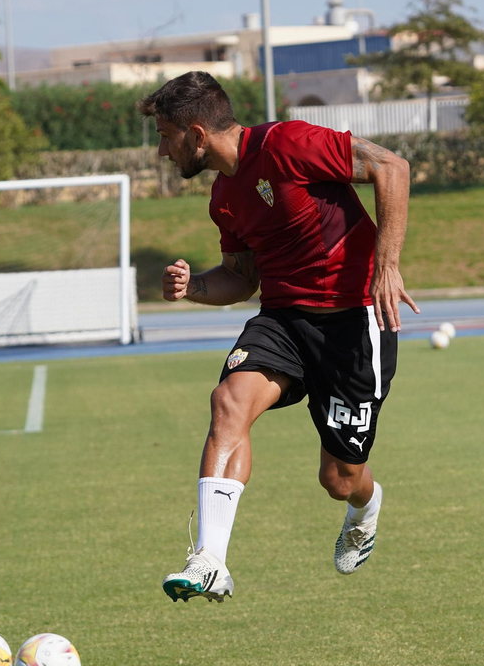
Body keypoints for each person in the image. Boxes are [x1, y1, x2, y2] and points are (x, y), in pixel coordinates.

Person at [137, 71, 418, 603]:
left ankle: (366, 504)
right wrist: (194, 285)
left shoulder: (287, 144)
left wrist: (387, 266)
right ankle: (209, 560)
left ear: (197, 134)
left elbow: (391, 166)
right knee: (228, 403)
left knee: (339, 479)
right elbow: (242, 278)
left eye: (166, 137)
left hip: (354, 320)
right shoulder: (223, 196)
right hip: (284, 320)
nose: (162, 152)